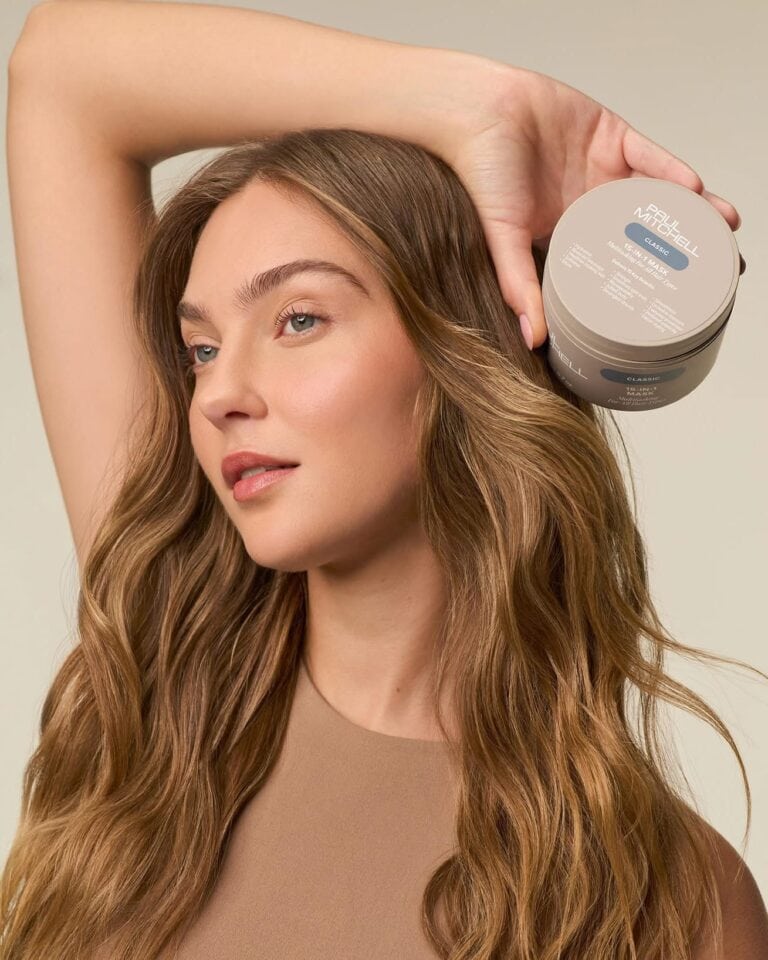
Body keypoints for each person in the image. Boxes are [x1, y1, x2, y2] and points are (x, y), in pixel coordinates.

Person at [3, 3, 766, 960]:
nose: (220, 395)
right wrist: (480, 106)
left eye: (299, 320)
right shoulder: (171, 685)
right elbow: (63, 74)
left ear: (463, 351)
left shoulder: (666, 899)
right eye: (200, 349)